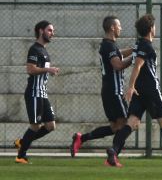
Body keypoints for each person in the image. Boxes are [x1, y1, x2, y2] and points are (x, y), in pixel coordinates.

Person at [105, 14, 162, 167]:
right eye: (154, 26)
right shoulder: (146, 45)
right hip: (150, 90)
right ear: (151, 29)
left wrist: (133, 87)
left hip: (139, 91)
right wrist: (130, 87)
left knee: (131, 122)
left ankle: (114, 150)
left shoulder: (138, 44)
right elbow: (137, 65)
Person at [70, 16, 133, 157]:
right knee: (128, 124)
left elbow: (119, 53)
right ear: (112, 27)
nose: (121, 28)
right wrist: (135, 58)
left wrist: (134, 50)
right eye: (119, 25)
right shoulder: (109, 46)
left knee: (115, 127)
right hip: (115, 91)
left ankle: (82, 138)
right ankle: (114, 155)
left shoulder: (108, 45)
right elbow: (118, 65)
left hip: (108, 91)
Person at [14, 20, 59, 164]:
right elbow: (30, 69)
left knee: (50, 126)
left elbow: (40, 71)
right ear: (41, 31)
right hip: (34, 93)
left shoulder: (44, 50)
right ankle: (21, 156)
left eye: (52, 31)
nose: (52, 33)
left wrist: (49, 72)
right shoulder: (34, 49)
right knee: (35, 125)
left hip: (42, 93)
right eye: (50, 30)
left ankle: (23, 141)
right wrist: (48, 69)